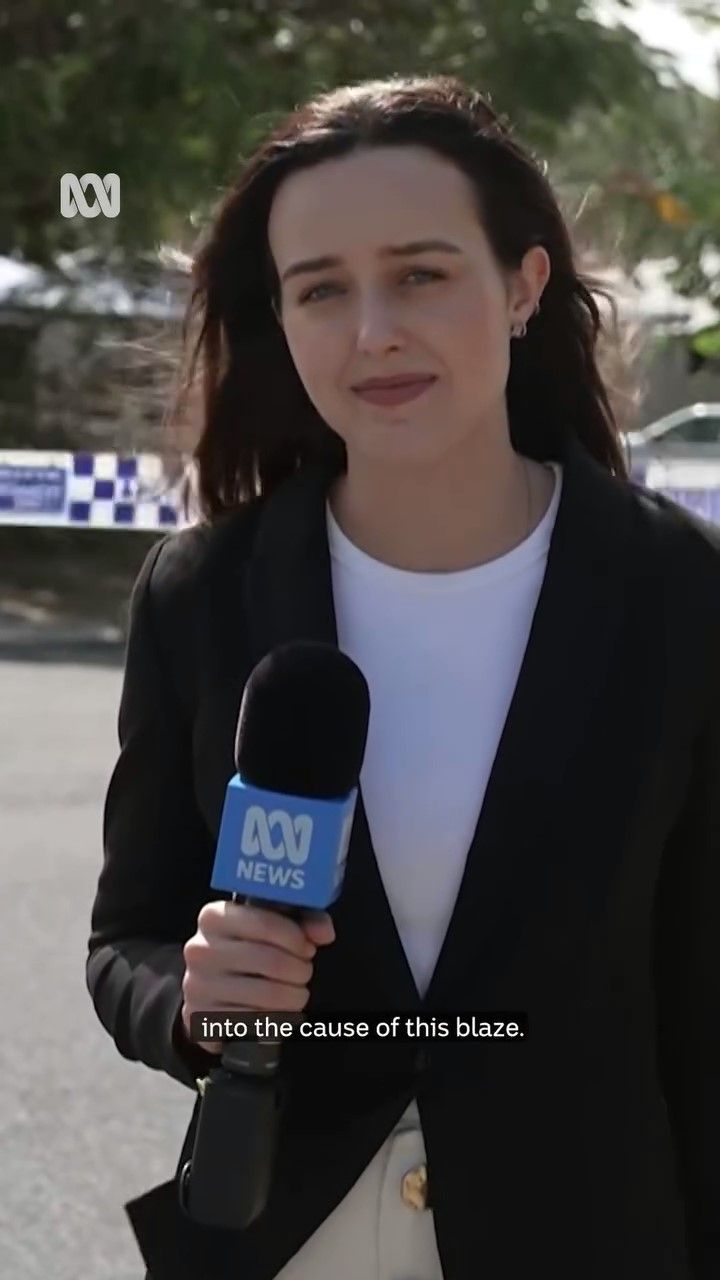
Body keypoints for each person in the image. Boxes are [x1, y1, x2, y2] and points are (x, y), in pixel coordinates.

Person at [85, 73, 720, 1280]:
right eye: (321, 289)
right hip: (281, 1236)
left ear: (523, 286)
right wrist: (193, 995)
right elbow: (128, 938)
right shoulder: (203, 592)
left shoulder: (676, 590)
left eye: (421, 274)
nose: (372, 329)